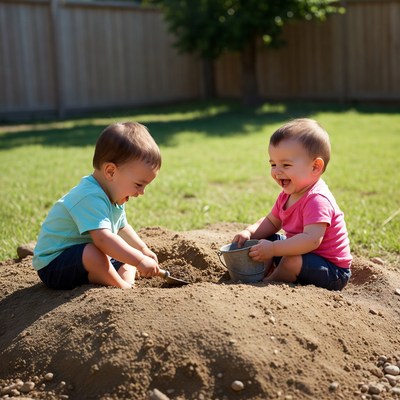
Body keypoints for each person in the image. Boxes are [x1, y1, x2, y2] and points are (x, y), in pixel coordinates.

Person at [33, 122, 161, 290]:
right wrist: (139, 259)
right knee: (94, 252)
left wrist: (142, 250)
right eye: (138, 185)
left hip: (85, 259)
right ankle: (121, 286)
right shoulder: (90, 196)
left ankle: (124, 282)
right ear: (111, 172)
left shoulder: (114, 194)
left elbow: (122, 227)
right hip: (55, 264)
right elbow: (102, 239)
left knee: (127, 258)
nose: (141, 192)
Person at [233, 118, 352, 291]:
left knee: (291, 259)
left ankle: (269, 284)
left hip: (332, 271)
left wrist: (273, 249)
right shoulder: (286, 195)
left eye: (286, 165)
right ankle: (258, 276)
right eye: (273, 164)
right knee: (262, 240)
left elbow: (311, 240)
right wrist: (250, 232)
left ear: (315, 167)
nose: (276, 171)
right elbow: (272, 222)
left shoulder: (317, 199)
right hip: (302, 255)